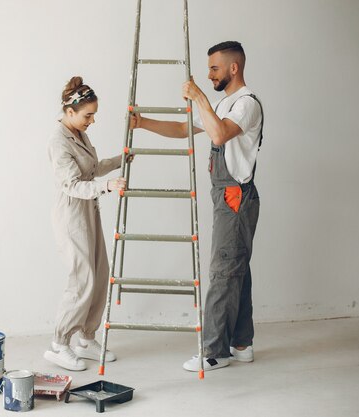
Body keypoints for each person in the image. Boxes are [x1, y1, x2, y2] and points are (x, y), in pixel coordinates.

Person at [130, 41, 264, 371]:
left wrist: (199, 97)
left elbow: (218, 136)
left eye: (214, 69)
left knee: (223, 271)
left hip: (236, 198)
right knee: (237, 269)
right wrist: (143, 122)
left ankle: (214, 352)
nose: (209, 75)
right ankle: (242, 343)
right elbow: (183, 129)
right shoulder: (225, 103)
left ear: (234, 68)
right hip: (228, 198)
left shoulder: (245, 105)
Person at [45, 76, 127, 371]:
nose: (91, 120)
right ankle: (59, 343)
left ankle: (86, 337)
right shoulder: (58, 141)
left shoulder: (79, 134)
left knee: (100, 273)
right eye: (87, 115)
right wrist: (107, 187)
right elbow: (72, 184)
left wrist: (120, 160)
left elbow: (90, 168)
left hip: (89, 212)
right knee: (82, 279)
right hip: (71, 215)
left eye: (93, 114)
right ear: (70, 111)